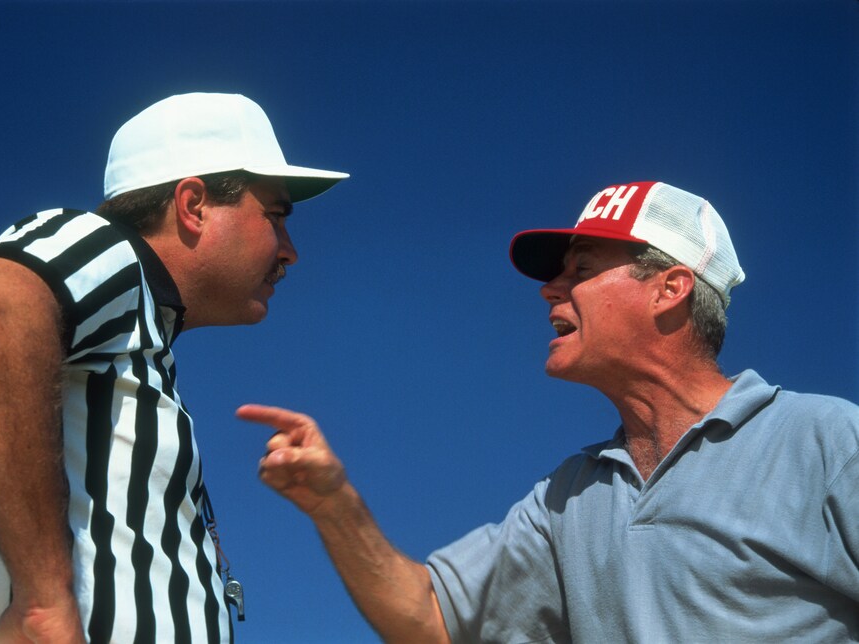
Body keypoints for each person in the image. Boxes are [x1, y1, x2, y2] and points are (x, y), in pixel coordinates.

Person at [238, 181, 859, 642]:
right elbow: (431, 619)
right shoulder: (570, 498)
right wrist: (334, 505)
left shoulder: (827, 443)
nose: (549, 289)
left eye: (582, 269)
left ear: (670, 290)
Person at [0, 92, 347, 643]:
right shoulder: (110, 254)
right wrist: (44, 609)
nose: (289, 249)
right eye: (275, 216)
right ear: (193, 205)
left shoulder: (138, 330)